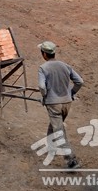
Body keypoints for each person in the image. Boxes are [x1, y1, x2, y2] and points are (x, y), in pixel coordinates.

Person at [38, 41, 83, 169]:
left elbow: (41, 86)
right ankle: (51, 147)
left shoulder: (43, 68)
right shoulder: (65, 66)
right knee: (56, 124)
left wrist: (44, 96)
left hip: (54, 104)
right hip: (67, 103)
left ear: (44, 54)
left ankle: (71, 160)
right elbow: (80, 81)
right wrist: (71, 93)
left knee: (59, 131)